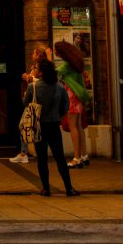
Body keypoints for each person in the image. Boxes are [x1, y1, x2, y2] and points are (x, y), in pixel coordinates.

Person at [23, 59, 79, 197]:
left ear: (41, 72)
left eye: (36, 68)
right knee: (59, 157)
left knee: (42, 159)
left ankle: (46, 189)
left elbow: (26, 103)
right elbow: (65, 107)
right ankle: (69, 188)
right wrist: (56, 115)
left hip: (39, 125)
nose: (34, 70)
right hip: (54, 124)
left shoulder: (33, 87)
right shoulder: (59, 87)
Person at [10, 43, 50, 164]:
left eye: (34, 53)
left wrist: (30, 78)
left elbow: (42, 81)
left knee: (25, 125)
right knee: (28, 125)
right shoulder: (37, 67)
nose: (32, 55)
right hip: (33, 99)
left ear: (38, 55)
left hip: (35, 101)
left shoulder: (40, 68)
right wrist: (28, 77)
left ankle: (24, 153)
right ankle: (26, 152)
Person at [54, 40, 91, 168]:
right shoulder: (76, 63)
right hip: (78, 97)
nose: (55, 53)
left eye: (56, 51)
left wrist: (48, 58)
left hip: (71, 97)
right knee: (79, 126)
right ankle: (84, 155)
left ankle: (76, 158)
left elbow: (53, 74)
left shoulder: (67, 66)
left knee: (73, 127)